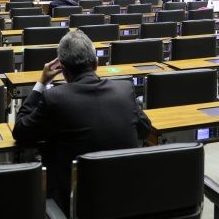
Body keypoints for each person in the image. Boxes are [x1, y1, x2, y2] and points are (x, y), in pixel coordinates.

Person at [12, 30, 150, 213]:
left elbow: (20, 131)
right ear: (96, 63)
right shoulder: (124, 90)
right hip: (124, 202)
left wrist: (41, 83)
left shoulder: (54, 98)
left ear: (63, 71)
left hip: (72, 206)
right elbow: (144, 129)